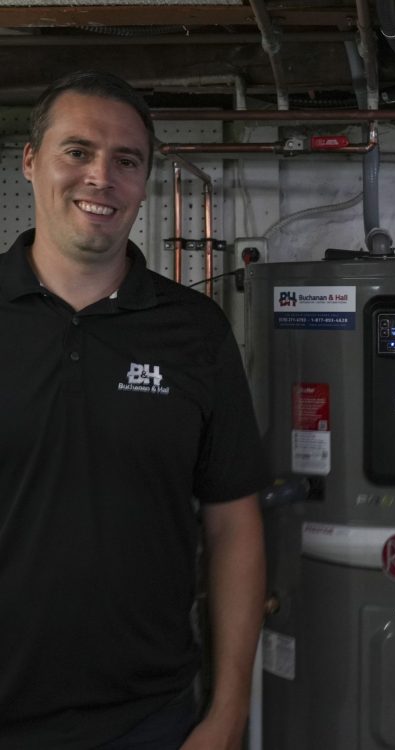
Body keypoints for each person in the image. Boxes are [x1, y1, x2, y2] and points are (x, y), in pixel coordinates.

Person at [0, 71, 267, 749]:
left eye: (126, 161)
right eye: (77, 152)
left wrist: (229, 713)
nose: (101, 178)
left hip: (150, 722)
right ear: (30, 162)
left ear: (144, 180)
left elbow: (234, 525)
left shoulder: (195, 332)